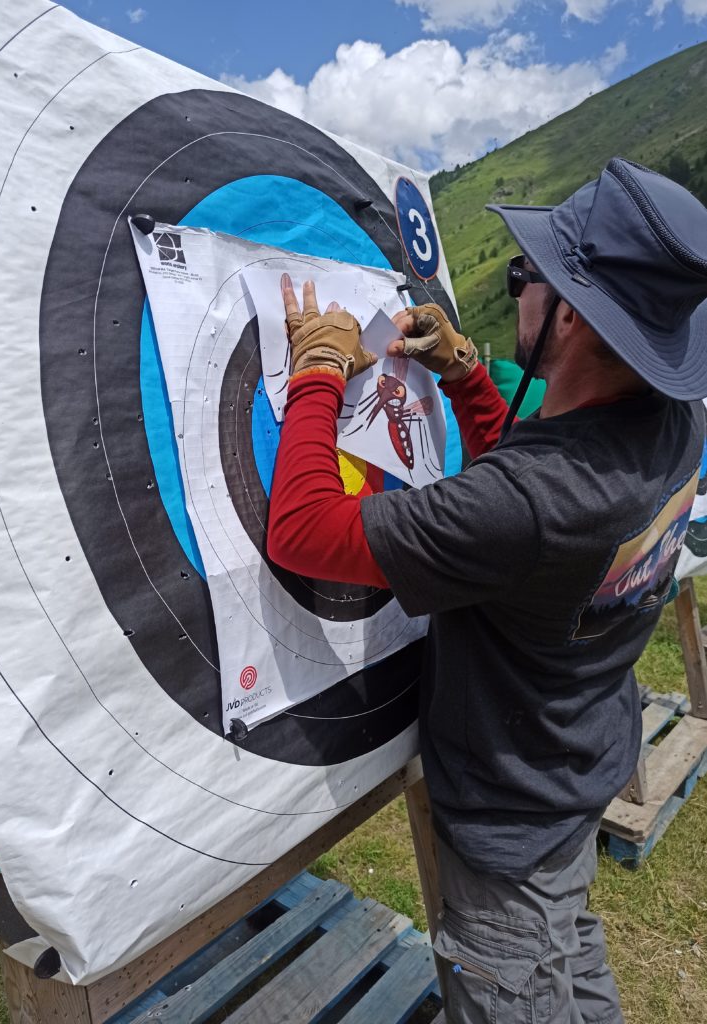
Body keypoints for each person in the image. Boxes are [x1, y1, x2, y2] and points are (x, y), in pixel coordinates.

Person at [267, 157, 707, 1023]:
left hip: (507, 820)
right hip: (574, 763)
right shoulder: (672, 424)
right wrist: (466, 376)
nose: (514, 293)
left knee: (521, 981)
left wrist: (317, 373)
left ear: (569, 315)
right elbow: (527, 468)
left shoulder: (536, 506)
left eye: (523, 276)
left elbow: (303, 532)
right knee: (568, 952)